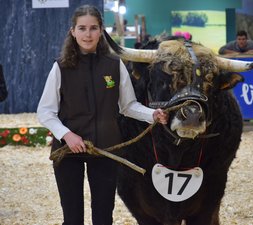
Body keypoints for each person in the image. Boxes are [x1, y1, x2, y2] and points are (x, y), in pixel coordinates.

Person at [37, 5, 168, 225]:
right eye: (82, 28)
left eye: (93, 28)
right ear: (73, 31)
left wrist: (152, 114)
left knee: (103, 217)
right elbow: (45, 111)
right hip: (67, 151)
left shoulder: (115, 65)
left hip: (107, 150)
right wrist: (67, 135)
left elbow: (128, 106)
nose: (87, 34)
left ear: (101, 31)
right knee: (72, 218)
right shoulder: (60, 67)